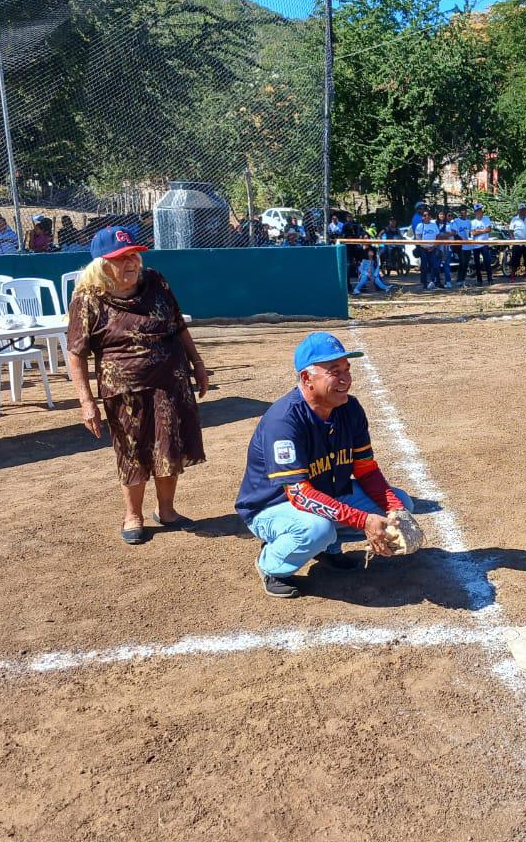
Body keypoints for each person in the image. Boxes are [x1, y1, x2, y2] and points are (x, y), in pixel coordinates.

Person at [235, 332, 414, 598]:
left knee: (401, 504)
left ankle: (328, 549)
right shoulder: (283, 421)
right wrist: (362, 520)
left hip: (327, 493)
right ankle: (271, 564)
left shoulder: (349, 409)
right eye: (334, 371)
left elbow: (365, 469)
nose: (345, 379)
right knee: (316, 529)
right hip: (273, 506)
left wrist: (395, 509)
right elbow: (298, 494)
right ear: (307, 378)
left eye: (346, 369)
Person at [67, 226, 209, 545]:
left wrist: (198, 364)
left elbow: (178, 325)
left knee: (168, 443)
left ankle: (167, 510)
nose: (131, 262)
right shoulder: (88, 298)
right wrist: (86, 401)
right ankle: (133, 515)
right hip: (123, 387)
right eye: (122, 258)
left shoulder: (156, 282)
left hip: (170, 380)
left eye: (134, 255)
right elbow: (76, 353)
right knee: (132, 450)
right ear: (102, 265)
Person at [415, 209, 442, 290]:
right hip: (423, 249)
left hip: (433, 249)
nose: (426, 217)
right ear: (422, 217)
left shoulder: (434, 225)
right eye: (424, 215)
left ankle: (434, 282)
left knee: (435, 266)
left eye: (428, 215)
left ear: (430, 217)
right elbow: (418, 238)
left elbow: (437, 236)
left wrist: (434, 246)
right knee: (424, 267)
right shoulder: (419, 226)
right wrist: (425, 247)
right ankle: (424, 283)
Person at [468, 203, 493, 285]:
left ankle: (490, 279)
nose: (479, 212)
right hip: (475, 245)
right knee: (477, 263)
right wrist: (482, 231)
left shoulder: (486, 219)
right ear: (475, 212)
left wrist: (479, 231)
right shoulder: (473, 222)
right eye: (477, 211)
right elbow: (473, 233)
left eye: (480, 210)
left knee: (487, 262)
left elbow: (489, 229)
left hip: (484, 243)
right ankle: (479, 280)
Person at [509, 203, 526, 278]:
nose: (522, 211)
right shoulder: (514, 219)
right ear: (518, 210)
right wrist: (513, 240)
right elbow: (511, 230)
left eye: (524, 209)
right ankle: (512, 275)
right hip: (517, 243)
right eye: (521, 210)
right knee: (515, 260)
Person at [448, 206, 473, 285]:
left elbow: (471, 233)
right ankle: (459, 280)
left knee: (466, 263)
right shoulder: (456, 221)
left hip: (468, 245)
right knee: (462, 262)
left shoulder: (469, 222)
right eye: (462, 213)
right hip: (460, 246)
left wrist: (470, 235)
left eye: (465, 212)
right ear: (460, 213)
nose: (463, 214)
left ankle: (463, 280)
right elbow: (453, 231)